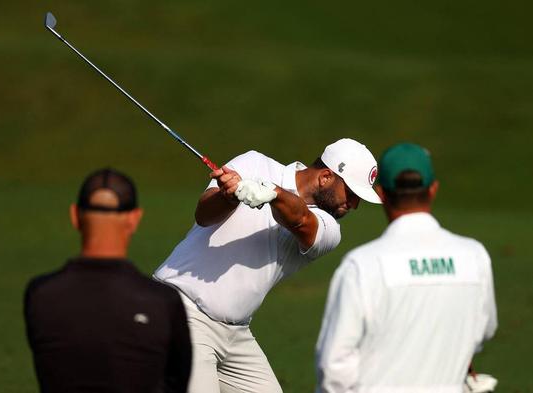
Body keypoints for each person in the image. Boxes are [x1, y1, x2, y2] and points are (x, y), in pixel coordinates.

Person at [154, 138, 381, 393]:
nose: (354, 204)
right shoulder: (254, 162)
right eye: (351, 194)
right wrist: (228, 197)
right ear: (326, 177)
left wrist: (273, 193)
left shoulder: (329, 231)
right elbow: (204, 215)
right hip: (182, 311)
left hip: (235, 334)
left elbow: (300, 219)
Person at [315, 143, 498, 393]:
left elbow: (333, 365)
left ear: (381, 194)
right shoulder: (474, 256)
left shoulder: (362, 264)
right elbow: (482, 332)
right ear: (433, 190)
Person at [24, 168, 192, 393]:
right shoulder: (163, 302)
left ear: (75, 216)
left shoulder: (40, 294)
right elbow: (177, 381)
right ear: (134, 219)